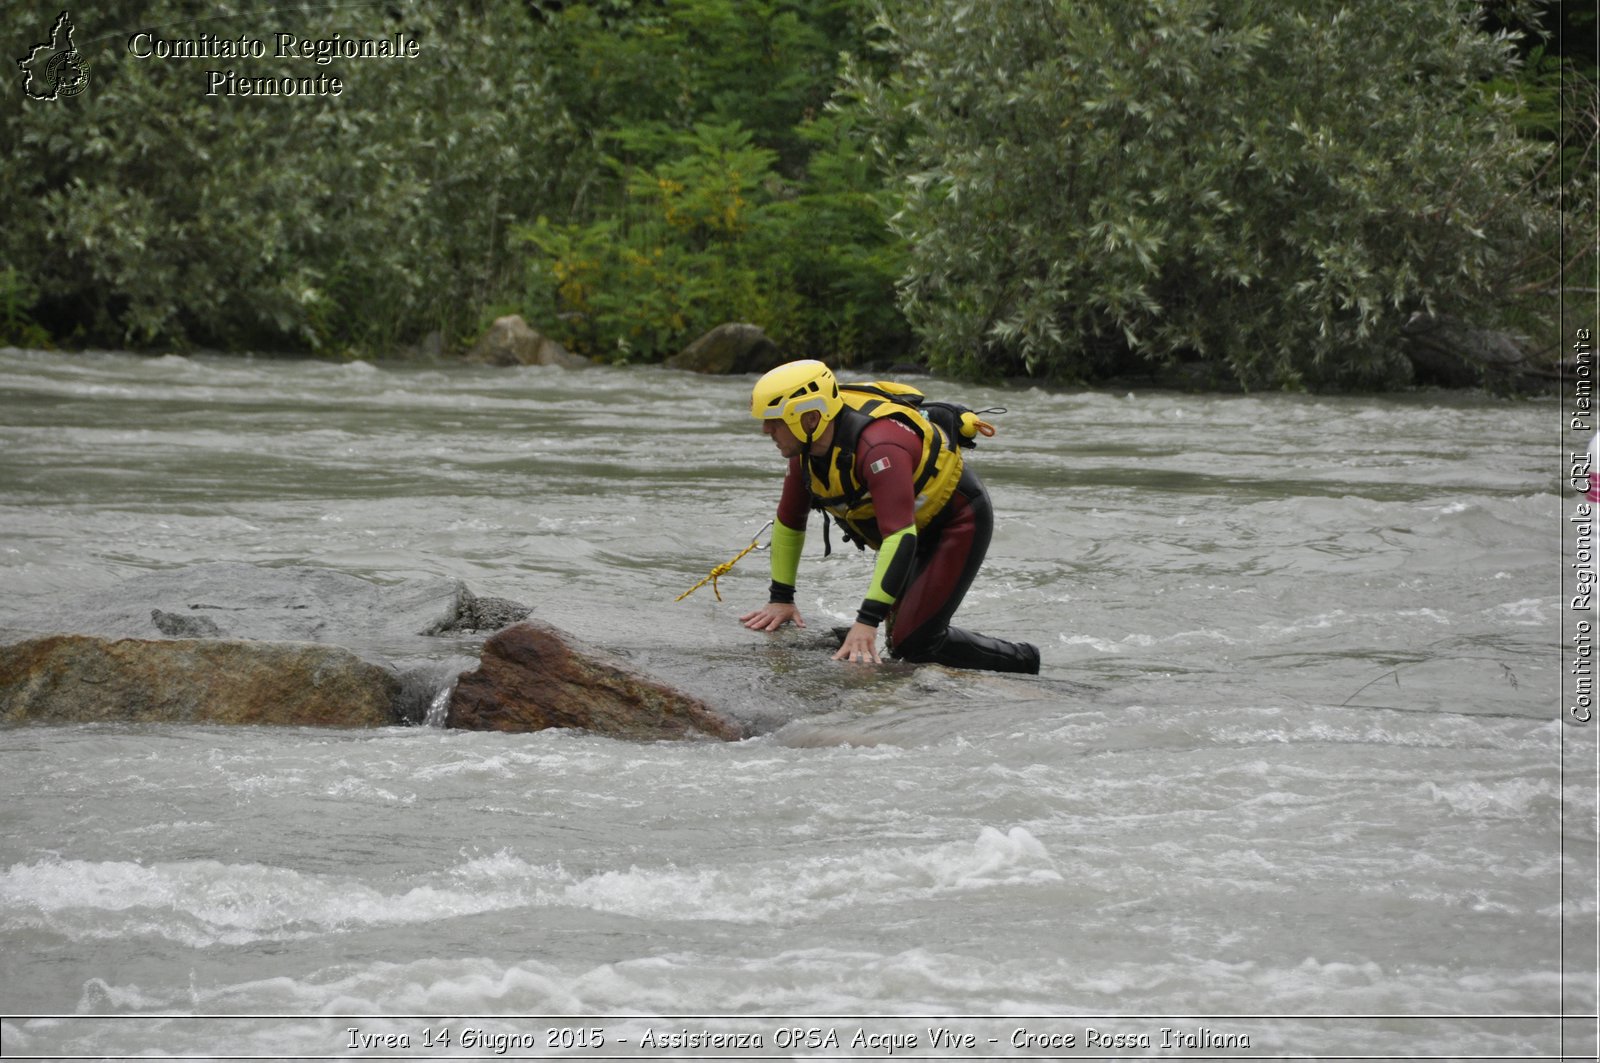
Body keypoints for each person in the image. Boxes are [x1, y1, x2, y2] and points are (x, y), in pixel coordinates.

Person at [739, 359, 1040, 674]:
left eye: (774, 421)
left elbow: (900, 536)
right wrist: (781, 598)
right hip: (906, 531)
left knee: (914, 643)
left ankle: (1023, 661)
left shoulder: (879, 447)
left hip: (956, 523)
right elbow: (789, 520)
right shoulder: (807, 454)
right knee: (899, 643)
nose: (765, 430)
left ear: (811, 419)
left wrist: (866, 621)